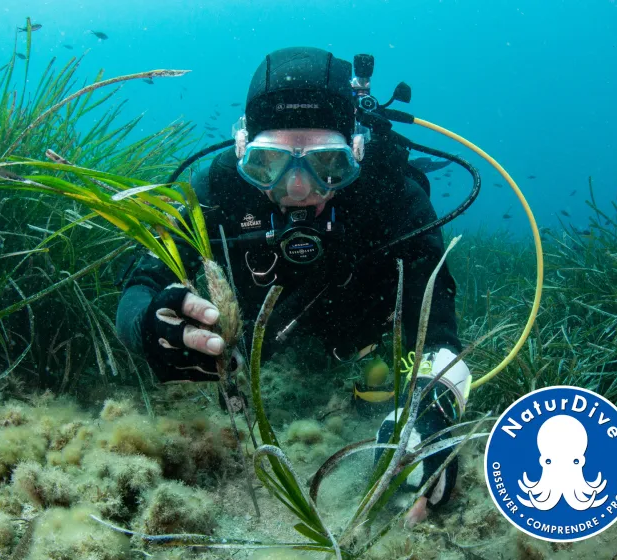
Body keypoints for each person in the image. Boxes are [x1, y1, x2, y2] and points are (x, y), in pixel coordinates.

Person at [116, 47, 471, 525]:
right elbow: (141, 282)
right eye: (268, 164)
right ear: (242, 150)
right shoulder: (216, 187)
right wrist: (144, 324)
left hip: (359, 330)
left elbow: (439, 328)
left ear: (357, 152)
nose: (298, 189)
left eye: (328, 164)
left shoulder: (392, 194)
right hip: (265, 326)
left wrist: (431, 410)